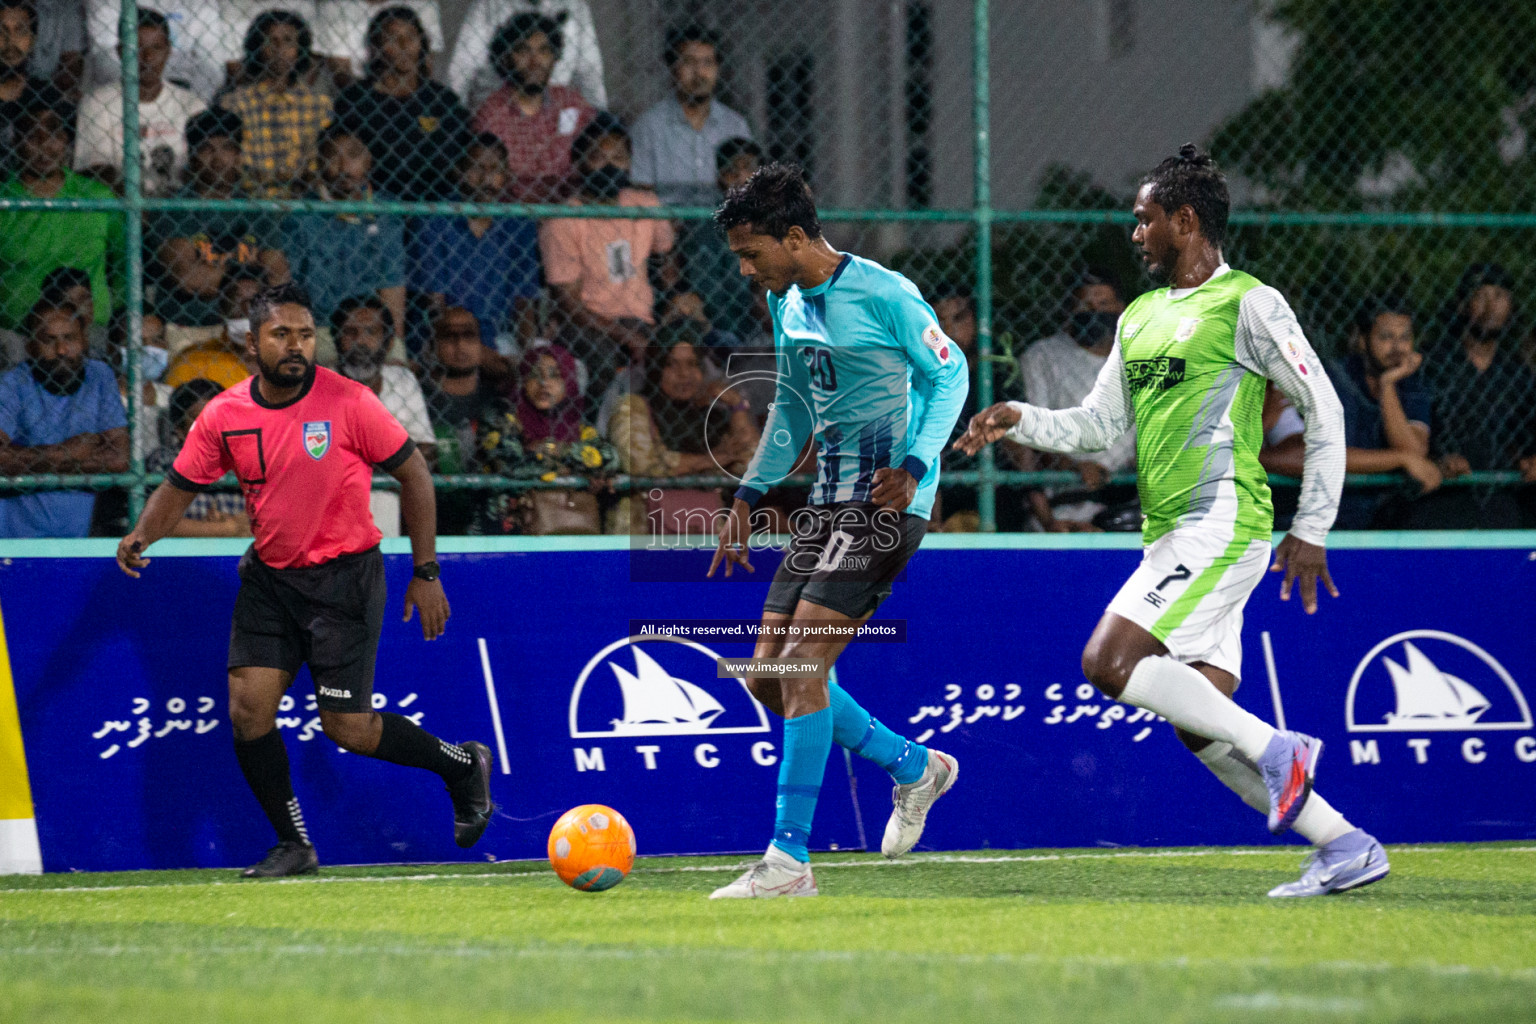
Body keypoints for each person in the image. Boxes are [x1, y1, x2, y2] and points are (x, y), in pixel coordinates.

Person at [956, 145, 1388, 899]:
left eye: (1144, 219)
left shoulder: (1250, 303)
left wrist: (1313, 526)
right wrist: (1017, 417)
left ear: (1183, 221)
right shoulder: (1140, 318)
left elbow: (1325, 411)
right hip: (1172, 532)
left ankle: (1281, 746)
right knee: (1201, 728)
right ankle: (1344, 843)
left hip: (1222, 521)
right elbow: (1097, 428)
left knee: (1107, 664)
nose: (1135, 234)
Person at [116, 281, 494, 877]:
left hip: (345, 580)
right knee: (248, 711)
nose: (296, 346)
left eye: (306, 334)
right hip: (271, 580)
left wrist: (426, 573)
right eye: (281, 335)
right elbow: (179, 486)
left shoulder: (348, 401)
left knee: (349, 729)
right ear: (251, 342)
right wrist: (143, 533)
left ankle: (460, 765)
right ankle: (293, 844)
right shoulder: (225, 414)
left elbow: (416, 475)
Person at [706, 164, 968, 899]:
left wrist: (917, 465)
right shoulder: (790, 307)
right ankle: (916, 768)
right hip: (824, 506)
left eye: (751, 252)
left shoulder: (884, 293)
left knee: (802, 665)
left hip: (885, 505)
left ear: (795, 237)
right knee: (769, 675)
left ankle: (788, 862)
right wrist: (750, 493)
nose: (745, 268)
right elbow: (791, 409)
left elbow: (953, 373)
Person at [1265, 296, 1441, 529]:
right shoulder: (1330, 378)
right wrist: (1400, 459)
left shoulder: (1412, 386)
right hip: (1313, 517)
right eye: (1386, 337)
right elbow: (1312, 453)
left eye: (1405, 338)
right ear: (1361, 340)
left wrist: (1388, 385)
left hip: (1378, 518)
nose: (1397, 347)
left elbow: (1414, 450)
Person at [539, 114, 674, 397]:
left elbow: (668, 260)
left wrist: (671, 304)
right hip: (590, 323)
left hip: (641, 318)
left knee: (682, 347)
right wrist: (625, 336)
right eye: (599, 157)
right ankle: (598, 434)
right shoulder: (563, 220)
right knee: (601, 359)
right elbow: (569, 304)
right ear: (580, 163)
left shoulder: (645, 204)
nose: (611, 165)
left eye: (619, 157)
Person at [1409, 263, 1536, 529]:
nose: (1491, 307)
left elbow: (1523, 438)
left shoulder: (1516, 372)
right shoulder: (1432, 363)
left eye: (1500, 297)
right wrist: (1436, 460)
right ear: (1463, 305)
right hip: (1442, 500)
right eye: (1482, 296)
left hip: (1502, 504)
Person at [148, 107, 288, 339]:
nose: (218, 159)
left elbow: (279, 278)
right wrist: (250, 275)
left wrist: (215, 275)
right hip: (190, 327)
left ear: (238, 154)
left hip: (251, 325)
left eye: (227, 149)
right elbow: (188, 279)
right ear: (192, 154)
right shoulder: (174, 209)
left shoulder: (257, 209)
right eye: (207, 149)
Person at [1018, 269, 1138, 531]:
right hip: (1063, 501)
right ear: (1069, 310)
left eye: (1104, 305)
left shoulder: (1136, 357)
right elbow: (1031, 431)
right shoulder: (1044, 356)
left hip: (1126, 502)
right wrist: (1072, 465)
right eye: (1085, 305)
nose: (1095, 312)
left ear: (1121, 308)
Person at [0, 295, 128, 536]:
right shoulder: (14, 383)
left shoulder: (99, 376)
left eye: (69, 338)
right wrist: (67, 453)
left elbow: (119, 459)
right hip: (15, 537)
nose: (61, 350)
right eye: (49, 340)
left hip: (81, 533)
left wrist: (34, 462)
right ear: (29, 346)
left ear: (85, 340)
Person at [608, 334, 759, 534]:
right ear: (656, 369)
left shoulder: (711, 416)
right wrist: (713, 460)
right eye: (672, 365)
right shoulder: (633, 406)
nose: (684, 374)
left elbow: (752, 462)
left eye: (692, 364)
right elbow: (641, 461)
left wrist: (737, 406)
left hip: (704, 525)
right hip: (643, 527)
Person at [280, 125, 407, 353]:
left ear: (370, 160)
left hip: (372, 327)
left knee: (395, 368)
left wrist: (395, 342)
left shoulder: (386, 214)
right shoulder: (301, 216)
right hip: (320, 328)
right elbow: (291, 287)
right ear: (319, 163)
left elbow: (392, 284)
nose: (343, 167)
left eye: (353, 155)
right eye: (332, 157)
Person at [0, 103, 124, 333]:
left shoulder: (97, 197)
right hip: (15, 335)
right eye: (32, 136)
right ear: (15, 141)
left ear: (67, 140)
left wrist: (115, 314)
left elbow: (125, 263)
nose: (45, 146)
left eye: (54, 134)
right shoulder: (4, 201)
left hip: (92, 332)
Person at [409, 132, 540, 348]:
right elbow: (435, 304)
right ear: (459, 172)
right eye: (476, 168)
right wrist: (474, 350)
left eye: (495, 169)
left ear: (507, 175)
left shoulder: (518, 223)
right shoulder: (435, 219)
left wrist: (528, 353)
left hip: (502, 336)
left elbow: (524, 299)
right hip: (446, 338)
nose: (486, 178)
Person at [473, 339, 618, 534]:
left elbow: (610, 458)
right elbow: (512, 465)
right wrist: (575, 467)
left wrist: (554, 449)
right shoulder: (501, 415)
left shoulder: (576, 425)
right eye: (534, 375)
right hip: (502, 531)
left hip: (565, 526)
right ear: (522, 381)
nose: (544, 383)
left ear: (569, 383)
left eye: (555, 376)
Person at [333, 5, 467, 202]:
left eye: (411, 37)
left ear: (422, 43)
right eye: (393, 38)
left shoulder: (443, 101)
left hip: (436, 206)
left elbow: (456, 161)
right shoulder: (355, 101)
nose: (404, 45)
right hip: (374, 204)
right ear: (376, 46)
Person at [331, 293, 435, 536]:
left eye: (371, 332)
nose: (361, 342)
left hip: (388, 493)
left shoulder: (402, 380)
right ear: (336, 339)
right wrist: (389, 458)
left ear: (388, 342)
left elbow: (426, 449)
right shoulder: (320, 382)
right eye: (351, 333)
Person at [73, 7, 206, 197]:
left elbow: (200, 170)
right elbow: (96, 171)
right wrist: (136, 202)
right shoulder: (96, 103)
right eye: (137, 48)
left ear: (169, 51)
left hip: (177, 207)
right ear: (120, 52)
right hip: (119, 205)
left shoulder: (192, 105)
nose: (148, 58)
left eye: (156, 48)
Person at [931, 284, 1029, 531]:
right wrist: (932, 519)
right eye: (939, 322)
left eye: (959, 318)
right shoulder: (921, 377)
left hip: (997, 491)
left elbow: (1018, 449)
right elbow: (930, 451)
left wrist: (1046, 518)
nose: (949, 330)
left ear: (977, 321)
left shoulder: (997, 374)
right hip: (944, 492)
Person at [469, 12, 593, 202]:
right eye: (524, 51)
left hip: (569, 213)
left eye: (544, 51)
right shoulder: (492, 113)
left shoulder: (571, 102)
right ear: (507, 57)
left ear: (555, 56)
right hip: (512, 217)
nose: (535, 62)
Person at [631, 25, 753, 207]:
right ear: (672, 68)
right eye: (688, 62)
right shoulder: (649, 126)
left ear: (718, 69)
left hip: (721, 222)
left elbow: (747, 183)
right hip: (667, 224)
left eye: (707, 63)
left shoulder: (735, 125)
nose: (699, 73)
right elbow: (641, 190)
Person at [219, 10, 333, 197]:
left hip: (305, 202)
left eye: (288, 41)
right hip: (252, 201)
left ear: (300, 49)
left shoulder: (319, 105)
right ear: (257, 48)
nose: (279, 49)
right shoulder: (236, 103)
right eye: (271, 41)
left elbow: (319, 163)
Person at [420, 306, 507, 533]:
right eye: (449, 336)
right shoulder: (418, 397)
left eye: (468, 335)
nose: (460, 345)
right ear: (434, 345)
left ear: (481, 344)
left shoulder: (496, 399)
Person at [449, 0, 605, 112]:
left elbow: (590, 73)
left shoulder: (575, 5)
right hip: (497, 106)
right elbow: (462, 69)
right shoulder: (489, 5)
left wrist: (600, 120)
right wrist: (455, 119)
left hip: (554, 110)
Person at [679, 137, 764, 342]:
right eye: (732, 171)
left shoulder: (775, 219)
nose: (743, 178)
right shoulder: (708, 225)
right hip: (725, 325)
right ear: (720, 180)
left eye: (750, 170)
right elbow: (709, 290)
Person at [145, 377, 252, 537]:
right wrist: (227, 529)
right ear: (180, 431)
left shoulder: (249, 458)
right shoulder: (166, 460)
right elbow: (157, 523)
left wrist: (236, 523)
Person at [86, 0, 229, 102]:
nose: (149, 56)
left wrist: (187, 102)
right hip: (118, 96)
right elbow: (106, 62)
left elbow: (213, 67)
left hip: (188, 97)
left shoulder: (203, 4)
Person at [163, 262, 263, 388]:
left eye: (254, 303)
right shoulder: (195, 360)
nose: (246, 310)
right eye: (237, 301)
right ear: (221, 310)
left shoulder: (286, 359)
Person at [0, 0, 69, 176]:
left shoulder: (41, 91)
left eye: (21, 31)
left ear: (32, 40)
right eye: (2, 32)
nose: (11, 42)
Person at [314, 0, 442, 82]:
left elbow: (425, 64)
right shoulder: (336, 6)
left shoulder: (424, 4)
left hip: (411, 93)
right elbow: (340, 71)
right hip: (361, 97)